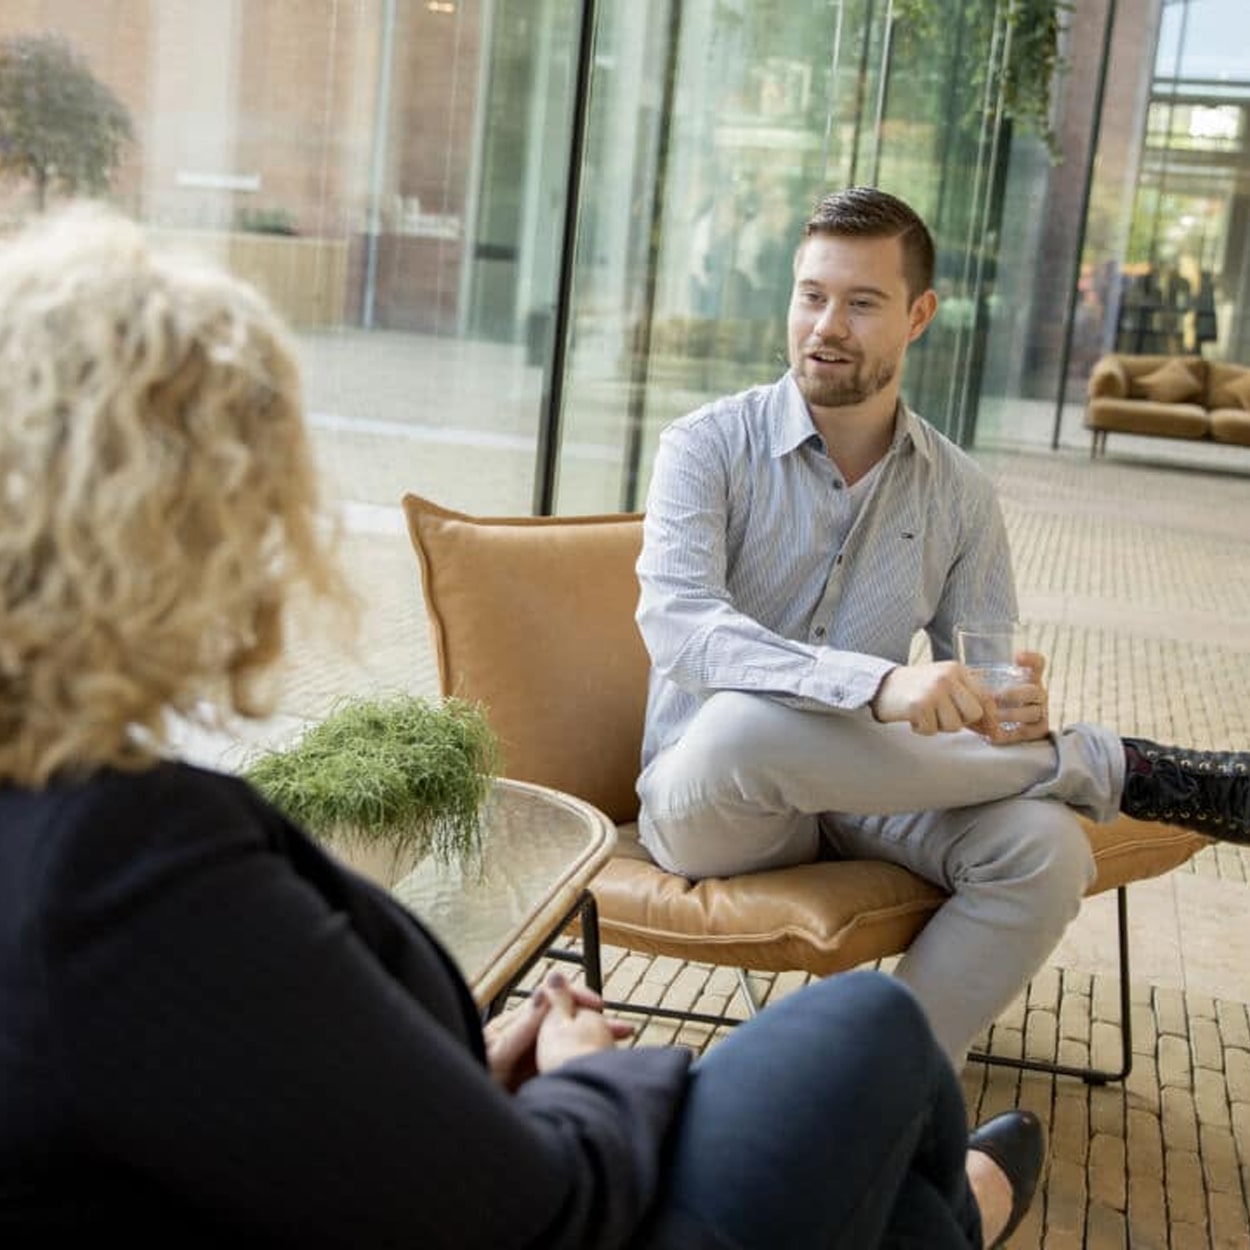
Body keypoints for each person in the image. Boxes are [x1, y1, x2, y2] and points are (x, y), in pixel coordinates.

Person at [0, 202, 1046, 1249]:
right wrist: (596, 1073)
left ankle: (945, 1213)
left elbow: (258, 1107)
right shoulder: (127, 859)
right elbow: (539, 1206)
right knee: (865, 1030)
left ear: (916, 318)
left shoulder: (88, 835)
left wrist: (461, 1079)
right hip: (580, 1166)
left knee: (1022, 867)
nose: (282, 542)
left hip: (831, 825)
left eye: (857, 301)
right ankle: (965, 1188)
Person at [635, 184, 1250, 1068]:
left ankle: (870, 1088)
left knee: (1043, 846)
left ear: (919, 315)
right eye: (812, 296)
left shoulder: (960, 491)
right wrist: (880, 683)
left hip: (864, 792)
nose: (826, 325)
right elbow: (682, 627)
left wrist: (1009, 706)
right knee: (744, 717)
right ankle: (1111, 766)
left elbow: (984, 667)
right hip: (712, 798)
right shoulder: (705, 448)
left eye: (861, 302)